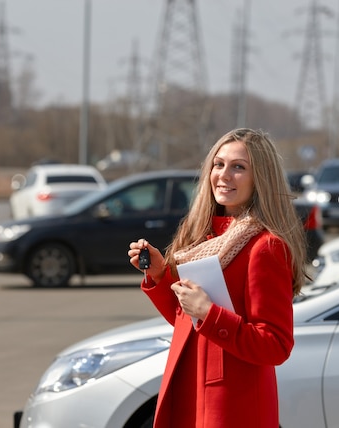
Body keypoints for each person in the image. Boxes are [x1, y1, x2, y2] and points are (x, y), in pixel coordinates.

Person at [128, 128, 308, 428]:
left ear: (260, 178)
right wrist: (160, 275)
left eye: (239, 167)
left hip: (232, 404)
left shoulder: (266, 247)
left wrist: (210, 314)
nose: (224, 175)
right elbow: (188, 321)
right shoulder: (199, 236)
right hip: (188, 386)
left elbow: (276, 345)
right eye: (218, 164)